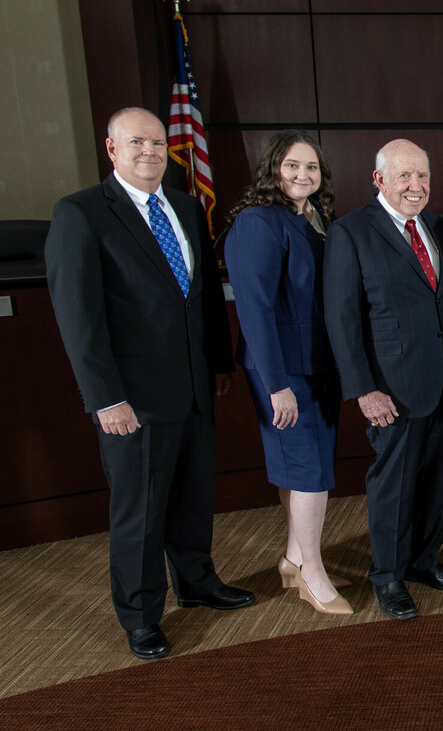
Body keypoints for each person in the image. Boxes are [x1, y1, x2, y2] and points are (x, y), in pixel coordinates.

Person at [45, 107, 254, 660]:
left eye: (158, 142)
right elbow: (78, 319)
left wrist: (216, 364)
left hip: (191, 387)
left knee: (192, 494)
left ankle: (197, 582)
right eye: (136, 142)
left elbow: (203, 294)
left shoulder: (185, 207)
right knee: (140, 509)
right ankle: (140, 616)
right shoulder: (81, 214)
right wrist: (105, 398)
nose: (150, 151)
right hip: (130, 398)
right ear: (111, 149)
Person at [324, 139, 443, 621]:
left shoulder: (436, 227)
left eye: (423, 176)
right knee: (393, 484)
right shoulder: (350, 232)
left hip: (442, 382)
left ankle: (424, 561)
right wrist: (363, 388)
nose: (415, 186)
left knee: (434, 483)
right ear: (379, 179)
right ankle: (387, 575)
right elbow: (342, 319)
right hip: (390, 388)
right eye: (404, 176)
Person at [224, 130, 350, 615]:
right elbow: (254, 310)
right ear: (273, 169)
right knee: (309, 472)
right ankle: (311, 572)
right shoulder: (258, 222)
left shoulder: (316, 218)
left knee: (301, 468)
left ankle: (294, 557)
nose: (303, 175)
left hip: (317, 363)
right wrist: (277, 386)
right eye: (293, 166)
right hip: (282, 370)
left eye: (312, 167)